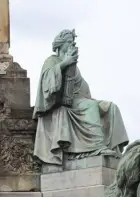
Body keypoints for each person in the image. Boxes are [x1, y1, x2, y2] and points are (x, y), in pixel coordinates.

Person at [32, 29, 129, 165]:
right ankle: (96, 147)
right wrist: (65, 63)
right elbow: (48, 86)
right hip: (60, 104)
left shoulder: (74, 66)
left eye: (73, 42)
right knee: (91, 106)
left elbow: (81, 87)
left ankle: (114, 150)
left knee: (111, 107)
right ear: (61, 45)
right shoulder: (51, 61)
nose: (72, 45)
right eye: (69, 42)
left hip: (80, 100)